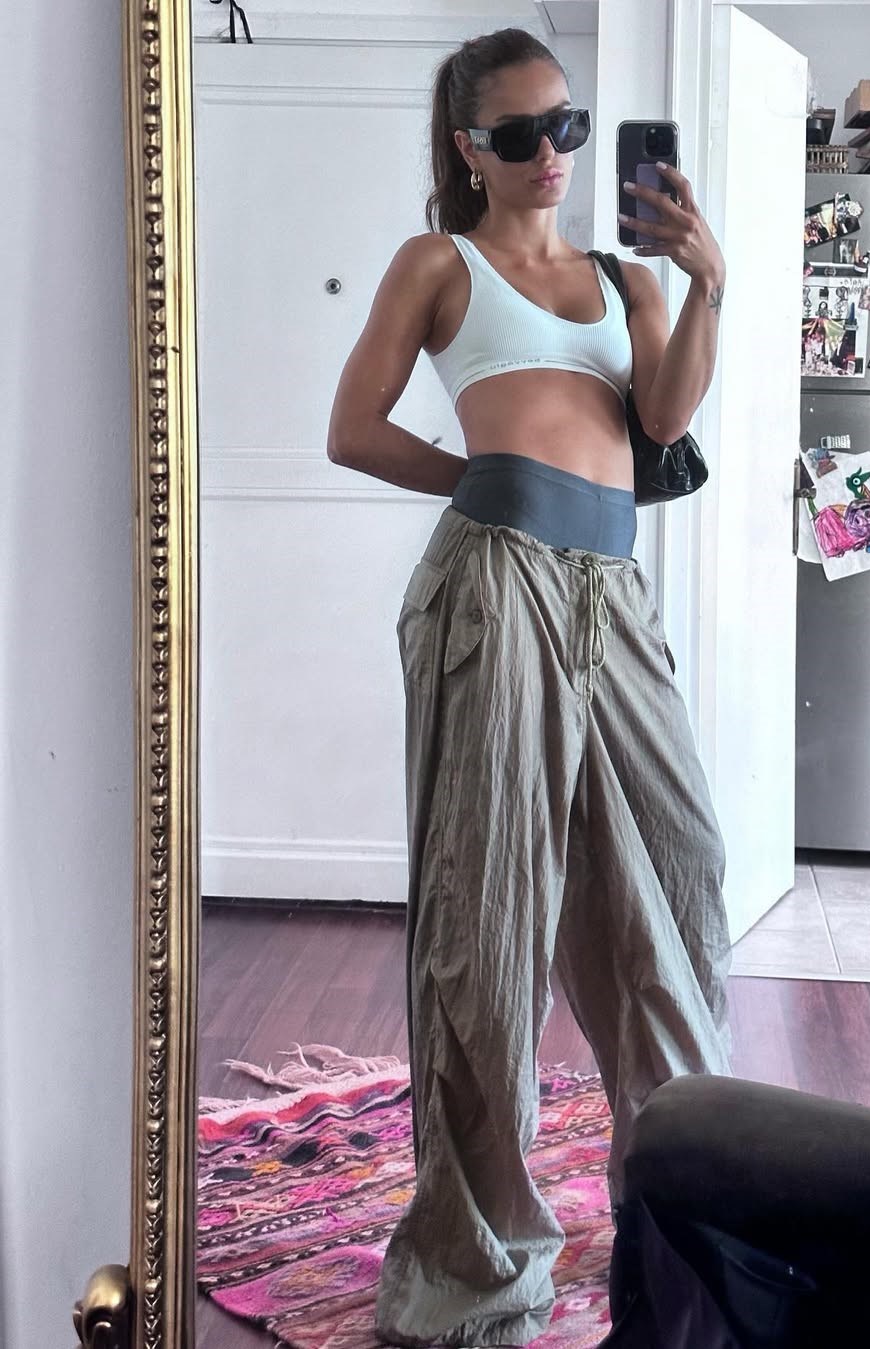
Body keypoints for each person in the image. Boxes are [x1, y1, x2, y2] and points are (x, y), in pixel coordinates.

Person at [327, 27, 732, 1348]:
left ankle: (680, 1210)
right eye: (518, 135)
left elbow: (661, 422)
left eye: (567, 126)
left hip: (613, 594)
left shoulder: (627, 277)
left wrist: (706, 283)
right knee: (486, 916)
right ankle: (477, 1261)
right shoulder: (438, 263)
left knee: (677, 879)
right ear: (468, 149)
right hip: (492, 587)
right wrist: (486, 483)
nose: (551, 153)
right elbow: (353, 427)